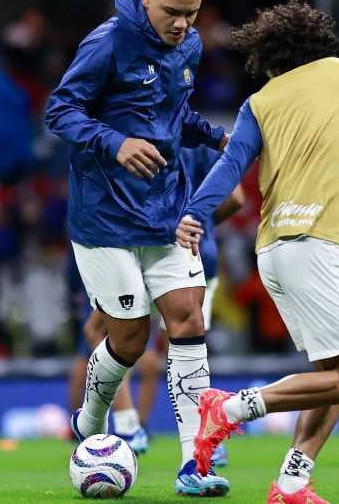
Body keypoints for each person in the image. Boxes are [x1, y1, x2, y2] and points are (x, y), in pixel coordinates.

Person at [175, 0, 339, 504]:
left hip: (274, 251)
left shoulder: (260, 102)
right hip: (314, 246)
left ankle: (292, 482)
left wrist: (196, 213)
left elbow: (230, 168)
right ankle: (229, 409)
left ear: (270, 60)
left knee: (335, 373)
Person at [44, 0, 231, 496]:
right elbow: (59, 110)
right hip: (103, 216)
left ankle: (196, 465)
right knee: (129, 338)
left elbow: (175, 118)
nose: (182, 25)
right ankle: (91, 419)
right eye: (173, 12)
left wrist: (216, 136)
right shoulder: (107, 43)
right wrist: (115, 141)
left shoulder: (189, 47)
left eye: (192, 15)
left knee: (188, 320)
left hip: (166, 210)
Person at [68, 145, 244, 461]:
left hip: (145, 247)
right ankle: (201, 443)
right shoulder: (199, 138)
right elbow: (236, 198)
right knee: (187, 341)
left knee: (102, 332)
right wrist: (198, 220)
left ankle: (130, 425)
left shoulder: (134, 133)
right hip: (198, 254)